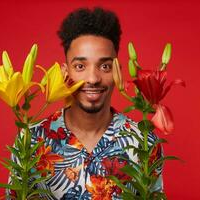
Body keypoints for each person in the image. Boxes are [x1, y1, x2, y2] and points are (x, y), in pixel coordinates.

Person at [9, 7, 163, 200]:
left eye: (105, 66)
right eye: (80, 66)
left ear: (117, 73)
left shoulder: (144, 142)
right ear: (65, 73)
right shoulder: (30, 140)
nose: (93, 78)